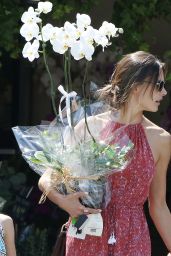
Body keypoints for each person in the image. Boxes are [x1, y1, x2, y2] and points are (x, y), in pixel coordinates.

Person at [38, 51, 171, 255]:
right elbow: (48, 178)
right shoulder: (88, 127)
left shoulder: (161, 139)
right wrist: (63, 201)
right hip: (86, 230)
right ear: (137, 85)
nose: (164, 93)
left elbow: (159, 206)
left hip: (133, 238)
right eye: (159, 85)